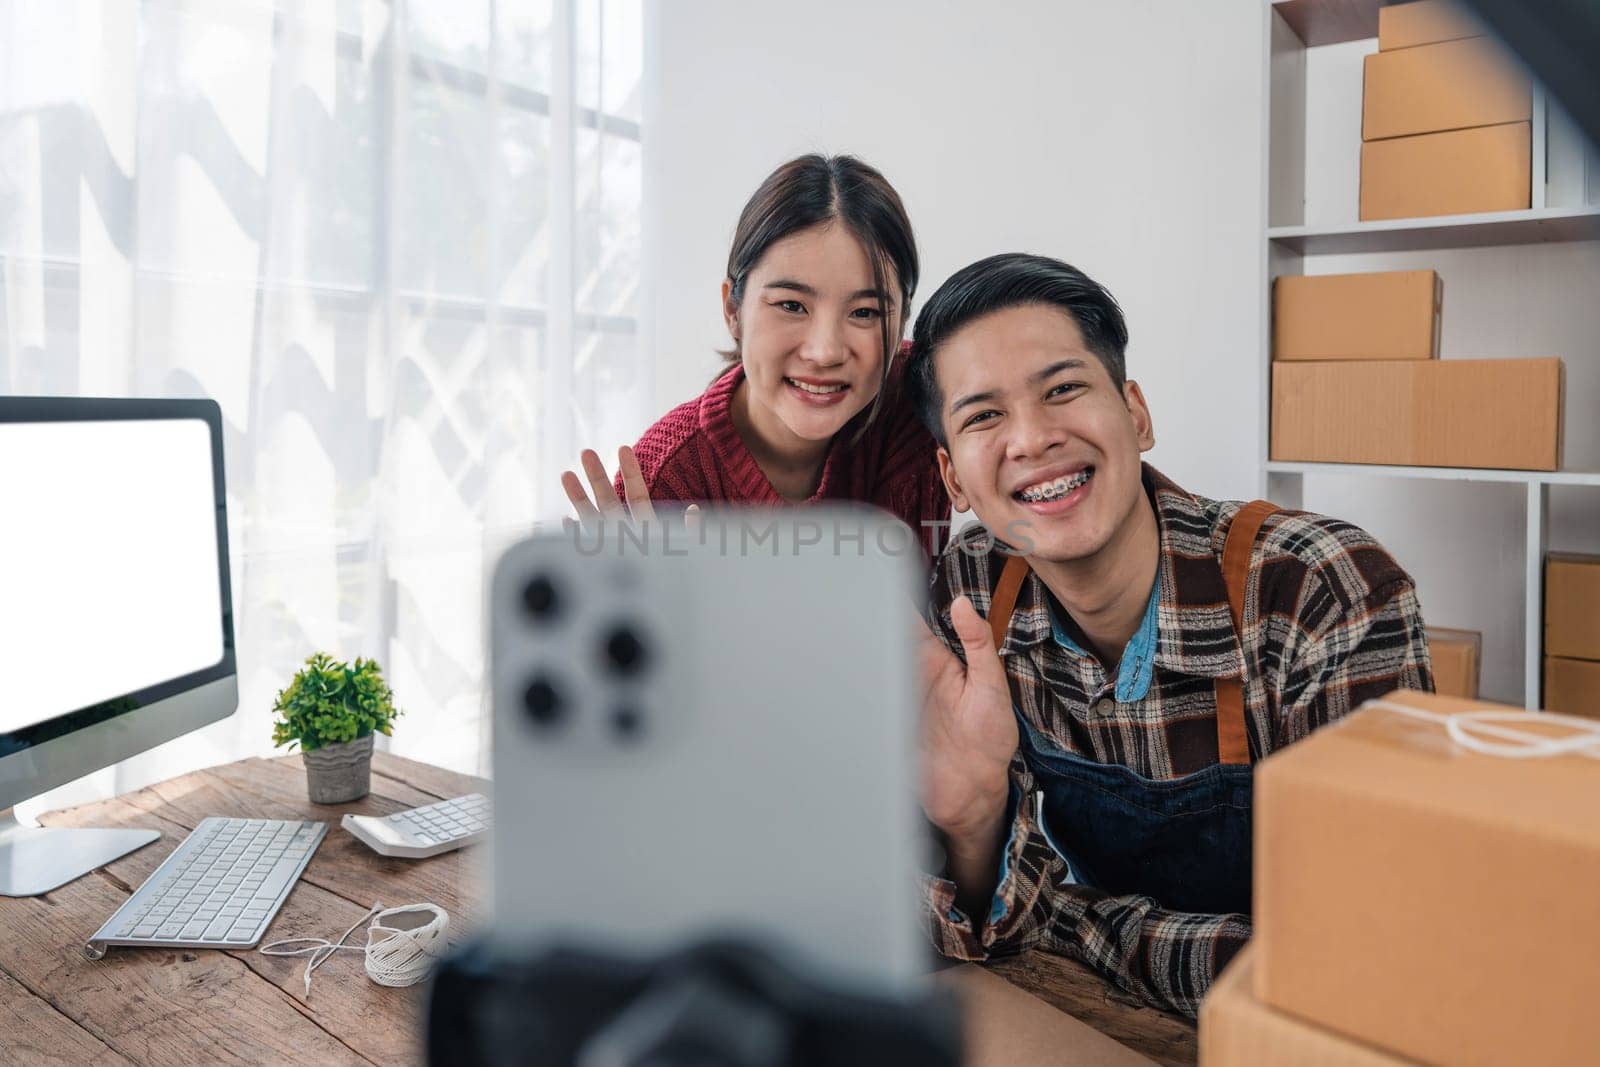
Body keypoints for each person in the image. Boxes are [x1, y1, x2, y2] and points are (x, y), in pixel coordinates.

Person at [906, 253, 1434, 1017]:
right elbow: (965, 917)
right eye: (984, 414)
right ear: (954, 478)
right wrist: (973, 820)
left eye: (1063, 389)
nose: (1031, 438)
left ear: (1137, 414)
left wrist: (1073, 921)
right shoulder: (971, 596)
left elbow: (1371, 956)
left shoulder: (1317, 589)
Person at [561, 154, 948, 553]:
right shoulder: (662, 488)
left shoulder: (929, 398)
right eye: (791, 305)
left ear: (902, 320)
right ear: (733, 310)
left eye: (864, 313)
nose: (824, 352)